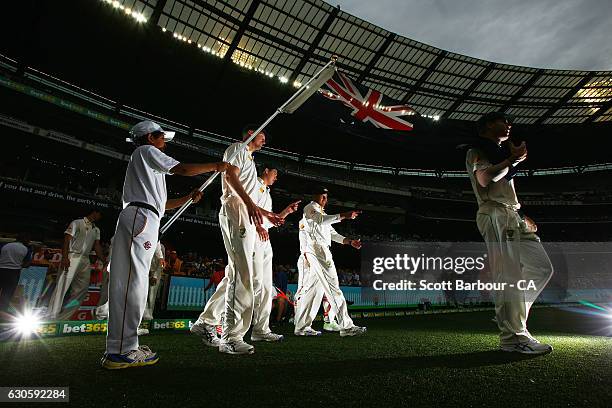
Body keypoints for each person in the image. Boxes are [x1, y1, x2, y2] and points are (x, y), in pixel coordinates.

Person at [101, 119, 231, 369]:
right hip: (141, 217)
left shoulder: (149, 163)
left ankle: (122, 347)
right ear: (150, 138)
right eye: (161, 137)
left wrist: (186, 199)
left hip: (146, 216)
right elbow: (182, 170)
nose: (165, 142)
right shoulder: (146, 151)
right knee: (132, 283)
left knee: (132, 283)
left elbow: (160, 204)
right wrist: (217, 166)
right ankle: (122, 349)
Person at [190, 126, 284, 355]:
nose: (264, 140)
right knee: (242, 273)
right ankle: (231, 337)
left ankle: (206, 321)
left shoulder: (250, 162)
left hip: (247, 216)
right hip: (237, 213)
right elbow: (229, 177)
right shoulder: (238, 148)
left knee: (239, 273)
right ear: (251, 132)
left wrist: (264, 212)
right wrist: (252, 206)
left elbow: (248, 196)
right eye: (262, 135)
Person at [466, 112, 553, 354]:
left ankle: (510, 316)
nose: (509, 124)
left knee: (542, 268)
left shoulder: (500, 153)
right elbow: (484, 179)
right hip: (494, 213)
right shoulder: (476, 151)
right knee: (509, 274)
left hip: (511, 214)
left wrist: (520, 213)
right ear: (485, 126)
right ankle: (513, 338)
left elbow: (504, 188)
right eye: (502, 120)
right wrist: (513, 161)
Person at [293, 187, 366, 337]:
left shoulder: (322, 213)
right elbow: (320, 220)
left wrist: (349, 241)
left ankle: (302, 327)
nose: (325, 200)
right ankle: (346, 326)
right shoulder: (310, 208)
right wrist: (344, 215)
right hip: (317, 250)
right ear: (315, 196)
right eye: (322, 197)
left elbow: (332, 234)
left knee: (314, 290)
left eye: (326, 197)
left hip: (320, 250)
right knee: (333, 286)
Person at [251, 167, 300, 342]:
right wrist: (257, 226)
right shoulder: (253, 184)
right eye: (275, 174)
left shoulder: (267, 193)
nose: (276, 178)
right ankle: (213, 319)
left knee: (265, 287)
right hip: (252, 237)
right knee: (248, 282)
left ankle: (261, 329)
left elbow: (271, 220)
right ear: (265, 171)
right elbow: (246, 205)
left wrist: (286, 212)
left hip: (265, 240)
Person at [46, 209, 105, 320]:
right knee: (62, 286)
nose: (99, 217)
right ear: (94, 212)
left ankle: (63, 317)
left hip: (85, 259)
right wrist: (65, 257)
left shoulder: (96, 229)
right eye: (99, 215)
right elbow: (67, 239)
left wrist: (104, 260)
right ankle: (51, 316)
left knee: (82, 290)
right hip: (72, 256)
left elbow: (97, 246)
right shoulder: (77, 223)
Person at [0, 233, 32, 315]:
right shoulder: (26, 249)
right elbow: (27, 263)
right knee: (7, 292)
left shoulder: (5, 245)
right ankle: (2, 311)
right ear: (25, 240)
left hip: (1, 269)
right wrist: (20, 264)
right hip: (13, 272)